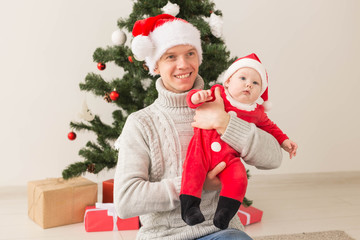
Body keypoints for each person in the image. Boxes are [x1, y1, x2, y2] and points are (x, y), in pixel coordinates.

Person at [114, 14, 283, 240]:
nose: (183, 64)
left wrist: (224, 123)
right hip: (164, 236)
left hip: (220, 232)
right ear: (155, 65)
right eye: (171, 56)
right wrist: (195, 184)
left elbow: (274, 158)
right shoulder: (141, 123)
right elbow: (126, 201)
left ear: (199, 57)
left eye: (190, 54)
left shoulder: (225, 104)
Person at [180, 53, 298, 230]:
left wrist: (284, 141)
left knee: (239, 177)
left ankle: (224, 213)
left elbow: (271, 128)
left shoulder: (256, 111)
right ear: (228, 81)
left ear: (260, 92)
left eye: (255, 83)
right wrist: (197, 98)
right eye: (242, 78)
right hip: (201, 149)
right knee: (193, 172)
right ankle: (190, 209)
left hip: (229, 157)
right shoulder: (217, 93)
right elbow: (194, 97)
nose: (248, 84)